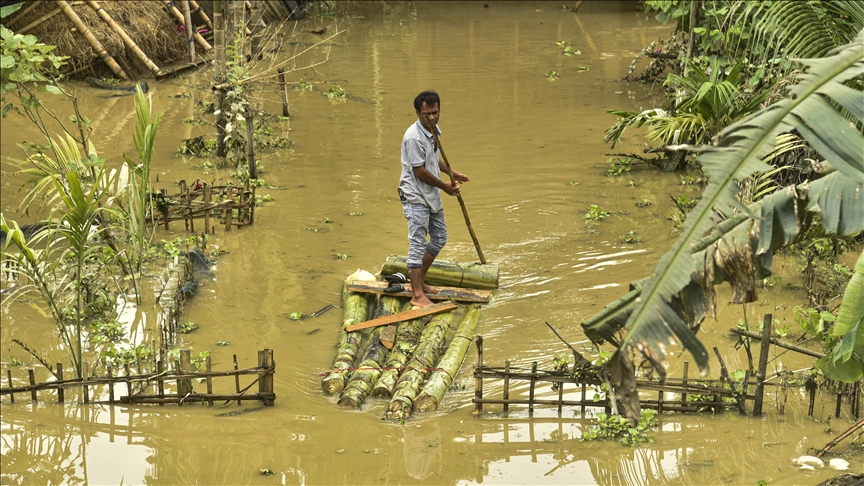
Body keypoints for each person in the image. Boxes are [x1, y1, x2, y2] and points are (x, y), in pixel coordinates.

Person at [398, 90, 470, 307]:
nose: (431, 118)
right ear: (418, 113)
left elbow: (432, 159)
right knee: (418, 242)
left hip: (430, 193)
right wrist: (445, 187)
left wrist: (452, 172)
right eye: (426, 114)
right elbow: (419, 170)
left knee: (439, 238)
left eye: (435, 113)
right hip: (415, 195)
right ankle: (417, 296)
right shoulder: (413, 136)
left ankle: (418, 282)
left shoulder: (432, 131)